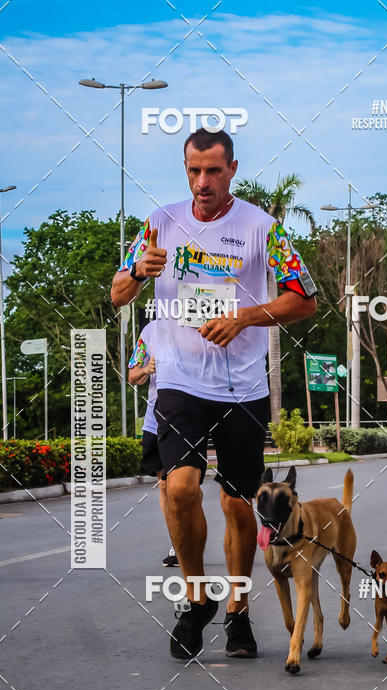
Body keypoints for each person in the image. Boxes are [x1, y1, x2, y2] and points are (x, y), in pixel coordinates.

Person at [111, 128, 317, 661]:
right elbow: (116, 295)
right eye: (193, 171)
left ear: (232, 170)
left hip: (242, 387)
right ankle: (198, 598)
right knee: (179, 487)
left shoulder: (262, 228)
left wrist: (245, 317)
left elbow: (305, 300)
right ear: (185, 170)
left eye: (213, 171)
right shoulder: (160, 223)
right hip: (179, 379)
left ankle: (238, 614)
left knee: (237, 503)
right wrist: (138, 271)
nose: (202, 182)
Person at [127, 319, 178, 567]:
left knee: (184, 487)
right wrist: (147, 369)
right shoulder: (149, 331)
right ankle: (177, 543)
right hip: (154, 420)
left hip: (185, 419)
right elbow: (132, 375)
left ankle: (189, 534)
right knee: (165, 487)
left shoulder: (194, 325)